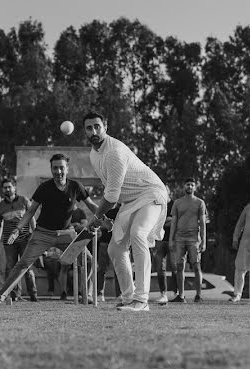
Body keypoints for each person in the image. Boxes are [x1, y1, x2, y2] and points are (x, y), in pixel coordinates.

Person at [85, 111, 169, 312]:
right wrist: (102, 218)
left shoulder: (114, 152)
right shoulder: (93, 155)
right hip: (129, 201)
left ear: (106, 127)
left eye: (98, 126)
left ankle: (142, 300)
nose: (94, 131)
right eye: (89, 128)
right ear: (85, 132)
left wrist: (95, 218)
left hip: (151, 193)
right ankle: (129, 296)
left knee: (138, 234)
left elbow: (111, 197)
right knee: (115, 249)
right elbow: (112, 192)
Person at [0, 154, 97, 304]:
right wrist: (17, 229)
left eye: (61, 168)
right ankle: (1, 296)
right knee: (23, 264)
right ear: (51, 169)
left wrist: (106, 216)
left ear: (67, 168)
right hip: (42, 233)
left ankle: (87, 294)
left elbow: (92, 206)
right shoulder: (44, 188)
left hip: (66, 233)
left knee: (89, 260)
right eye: (55, 168)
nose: (58, 171)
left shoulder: (76, 187)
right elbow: (31, 211)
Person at [0, 178, 37, 302]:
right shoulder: (0, 206)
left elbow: (31, 217)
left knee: (27, 267)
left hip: (25, 240)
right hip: (8, 242)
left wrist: (35, 235)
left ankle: (33, 295)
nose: (7, 189)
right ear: (2, 189)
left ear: (14, 187)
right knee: (12, 269)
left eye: (9, 187)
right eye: (5, 187)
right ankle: (16, 296)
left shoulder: (24, 200)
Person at [169, 178, 207, 304]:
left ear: (195, 187)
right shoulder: (177, 203)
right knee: (179, 267)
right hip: (179, 238)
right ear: (183, 186)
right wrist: (171, 239)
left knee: (196, 266)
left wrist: (203, 241)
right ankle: (181, 295)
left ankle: (198, 295)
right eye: (187, 185)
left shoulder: (200, 202)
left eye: (192, 185)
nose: (189, 187)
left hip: (194, 239)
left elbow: (202, 222)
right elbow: (173, 221)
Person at [230, 188, 250, 303]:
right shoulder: (248, 209)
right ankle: (237, 294)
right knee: (240, 268)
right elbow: (239, 224)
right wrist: (235, 238)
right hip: (245, 242)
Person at [151, 189, 175, 305]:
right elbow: (154, 220)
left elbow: (175, 220)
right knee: (160, 268)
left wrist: (162, 221)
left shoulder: (174, 204)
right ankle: (163, 294)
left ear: (169, 193)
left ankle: (177, 293)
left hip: (173, 240)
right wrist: (168, 220)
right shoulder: (158, 205)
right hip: (160, 240)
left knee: (176, 267)